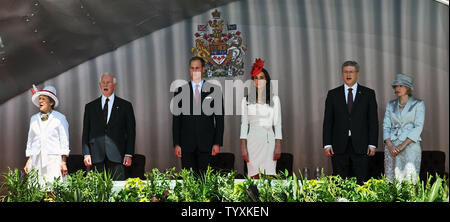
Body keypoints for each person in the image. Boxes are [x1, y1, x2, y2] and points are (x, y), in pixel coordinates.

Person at [322, 60, 378, 184]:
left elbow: (373, 121)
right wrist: (327, 144)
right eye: (345, 72)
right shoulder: (333, 94)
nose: (348, 74)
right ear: (342, 74)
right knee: (340, 182)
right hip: (338, 146)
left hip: (361, 146)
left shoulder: (368, 94)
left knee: (361, 182)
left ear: (357, 74)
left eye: (351, 72)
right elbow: (328, 121)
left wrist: (372, 144)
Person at [172, 56, 224, 175]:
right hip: (186, 145)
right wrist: (177, 143)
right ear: (189, 70)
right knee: (189, 182)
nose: (195, 71)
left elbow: (219, 119)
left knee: (205, 181)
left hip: (207, 145)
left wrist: (217, 142)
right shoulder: (180, 91)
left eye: (197, 68)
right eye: (192, 68)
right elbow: (176, 121)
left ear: (203, 69)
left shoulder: (214, 90)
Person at [82, 73, 136, 180]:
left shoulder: (125, 106)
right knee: (96, 192)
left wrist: (128, 154)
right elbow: (86, 131)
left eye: (108, 82)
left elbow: (131, 132)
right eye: (103, 82)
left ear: (114, 85)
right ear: (100, 85)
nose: (105, 85)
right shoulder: (90, 107)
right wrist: (86, 153)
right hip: (96, 156)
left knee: (117, 190)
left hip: (117, 156)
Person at [240, 58, 282, 178]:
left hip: (269, 142)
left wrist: (278, 145)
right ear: (253, 81)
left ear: (267, 80)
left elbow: (278, 124)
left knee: (269, 177)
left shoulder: (274, 100)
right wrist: (243, 146)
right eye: (256, 78)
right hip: (253, 142)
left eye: (261, 77)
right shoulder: (246, 100)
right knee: (254, 178)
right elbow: (244, 124)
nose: (258, 81)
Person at [24, 85, 70, 186]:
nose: (40, 101)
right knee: (36, 189)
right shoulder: (34, 119)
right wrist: (29, 160)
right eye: (39, 99)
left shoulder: (60, 118)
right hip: (36, 160)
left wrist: (63, 162)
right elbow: (30, 141)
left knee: (52, 188)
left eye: (43, 99)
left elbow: (64, 141)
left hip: (53, 160)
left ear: (51, 102)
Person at [383, 74, 425, 184]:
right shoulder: (390, 104)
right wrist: (390, 145)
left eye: (401, 86)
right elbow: (385, 126)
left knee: (410, 181)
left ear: (408, 88)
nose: (397, 89)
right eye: (396, 86)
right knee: (391, 181)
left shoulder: (418, 104)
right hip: (392, 148)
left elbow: (418, 127)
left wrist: (402, 145)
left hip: (410, 146)